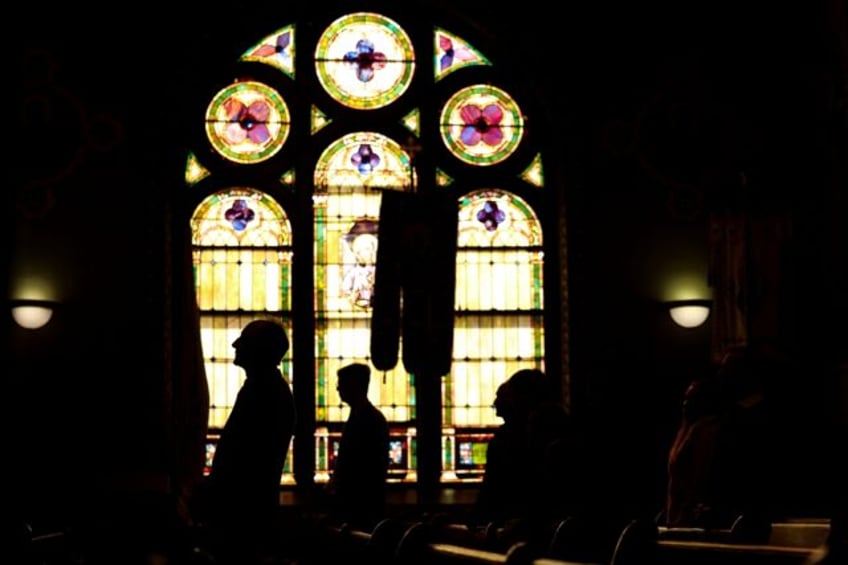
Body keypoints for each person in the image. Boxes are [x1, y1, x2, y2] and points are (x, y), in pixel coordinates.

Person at [191, 319, 296, 564]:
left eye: (244, 340)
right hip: (244, 513)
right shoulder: (264, 388)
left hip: (242, 516)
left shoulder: (265, 392)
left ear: (261, 350)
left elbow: (245, 460)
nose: (236, 344)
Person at [324, 362, 389, 530]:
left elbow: (365, 466)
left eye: (341, 384)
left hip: (360, 506)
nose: (338, 389)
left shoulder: (368, 420)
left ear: (355, 386)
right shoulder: (366, 417)